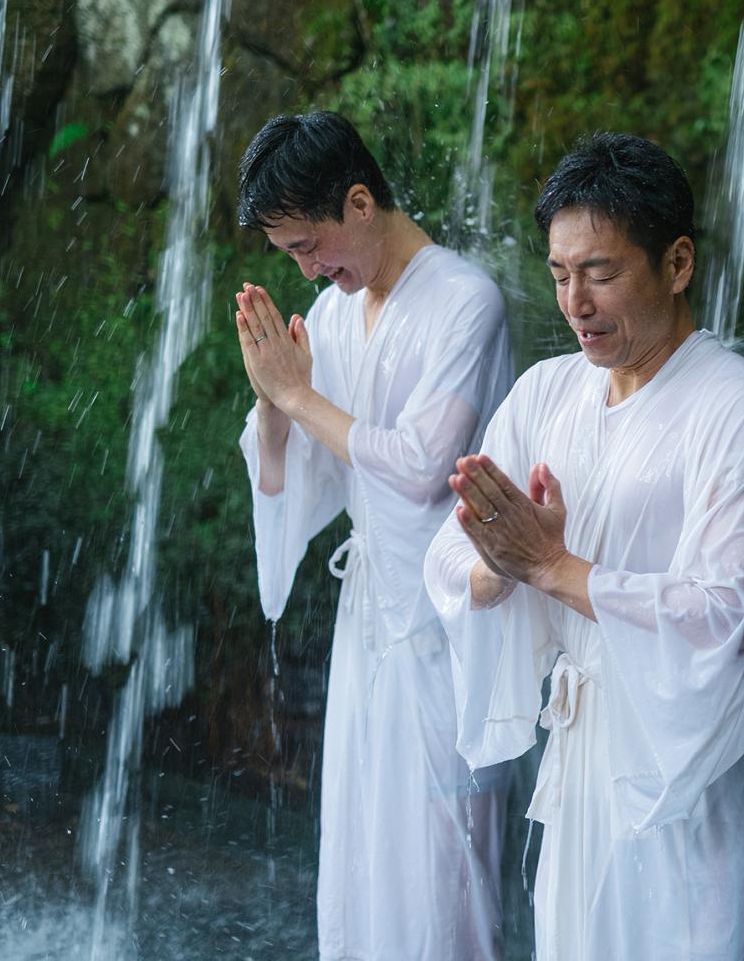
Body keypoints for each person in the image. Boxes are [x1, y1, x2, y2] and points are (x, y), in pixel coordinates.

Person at [424, 132, 744, 960]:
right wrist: (499, 568)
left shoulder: (741, 408)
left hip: (693, 780)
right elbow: (446, 557)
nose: (575, 302)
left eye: (600, 271)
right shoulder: (546, 393)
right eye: (560, 275)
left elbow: (725, 615)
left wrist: (554, 568)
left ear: (677, 263)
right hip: (583, 761)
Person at [232, 111, 512, 961]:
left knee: (441, 857)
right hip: (369, 620)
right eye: (290, 255)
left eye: (309, 245)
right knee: (357, 845)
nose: (309, 268)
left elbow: (427, 465)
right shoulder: (334, 312)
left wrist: (298, 398)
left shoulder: (468, 301)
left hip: (451, 618)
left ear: (360, 202)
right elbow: (308, 478)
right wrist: (271, 410)